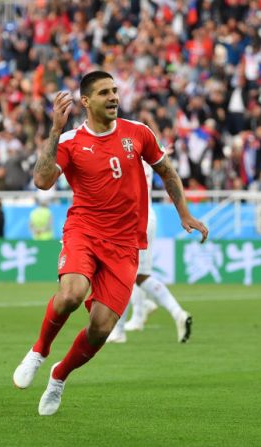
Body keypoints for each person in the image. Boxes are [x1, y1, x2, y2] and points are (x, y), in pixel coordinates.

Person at [11, 71, 208, 416]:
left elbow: (167, 172)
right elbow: (41, 181)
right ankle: (39, 351)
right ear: (86, 102)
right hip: (84, 231)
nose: (114, 97)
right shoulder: (71, 141)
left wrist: (185, 214)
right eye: (104, 92)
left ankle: (59, 376)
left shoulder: (139, 133)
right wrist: (55, 130)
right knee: (71, 294)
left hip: (125, 244)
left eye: (115, 90)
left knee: (101, 328)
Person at [106, 161, 193, 344]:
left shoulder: (124, 147)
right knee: (141, 276)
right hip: (148, 215)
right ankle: (177, 313)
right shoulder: (143, 146)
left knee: (121, 274)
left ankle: (118, 330)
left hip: (131, 217)